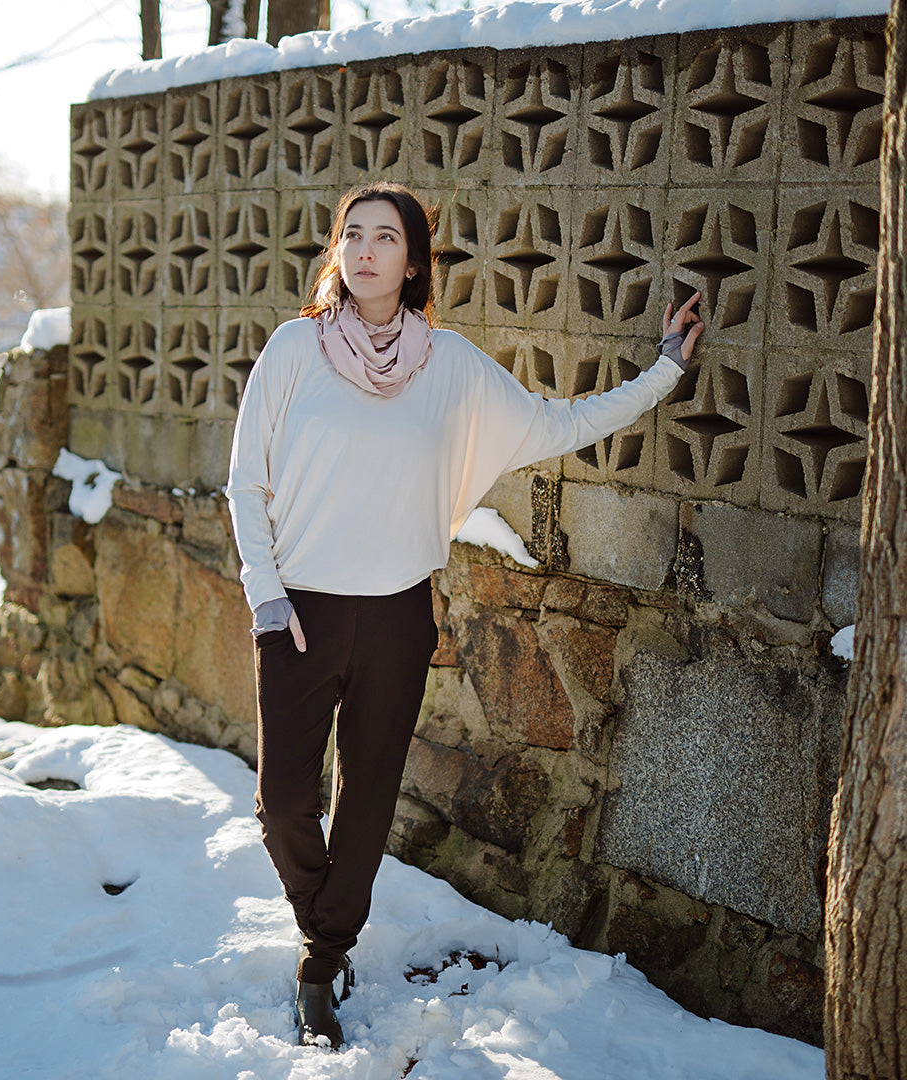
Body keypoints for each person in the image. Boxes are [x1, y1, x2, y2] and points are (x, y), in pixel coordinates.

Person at [226, 181, 703, 1050]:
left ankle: (321, 962)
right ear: (338, 253)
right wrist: (266, 591)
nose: (366, 250)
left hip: (400, 614)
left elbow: (557, 423)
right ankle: (326, 923)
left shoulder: (448, 366)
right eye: (352, 235)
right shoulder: (295, 349)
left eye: (386, 237)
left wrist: (664, 371)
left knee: (367, 797)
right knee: (284, 800)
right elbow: (245, 480)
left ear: (413, 262)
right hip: (299, 611)